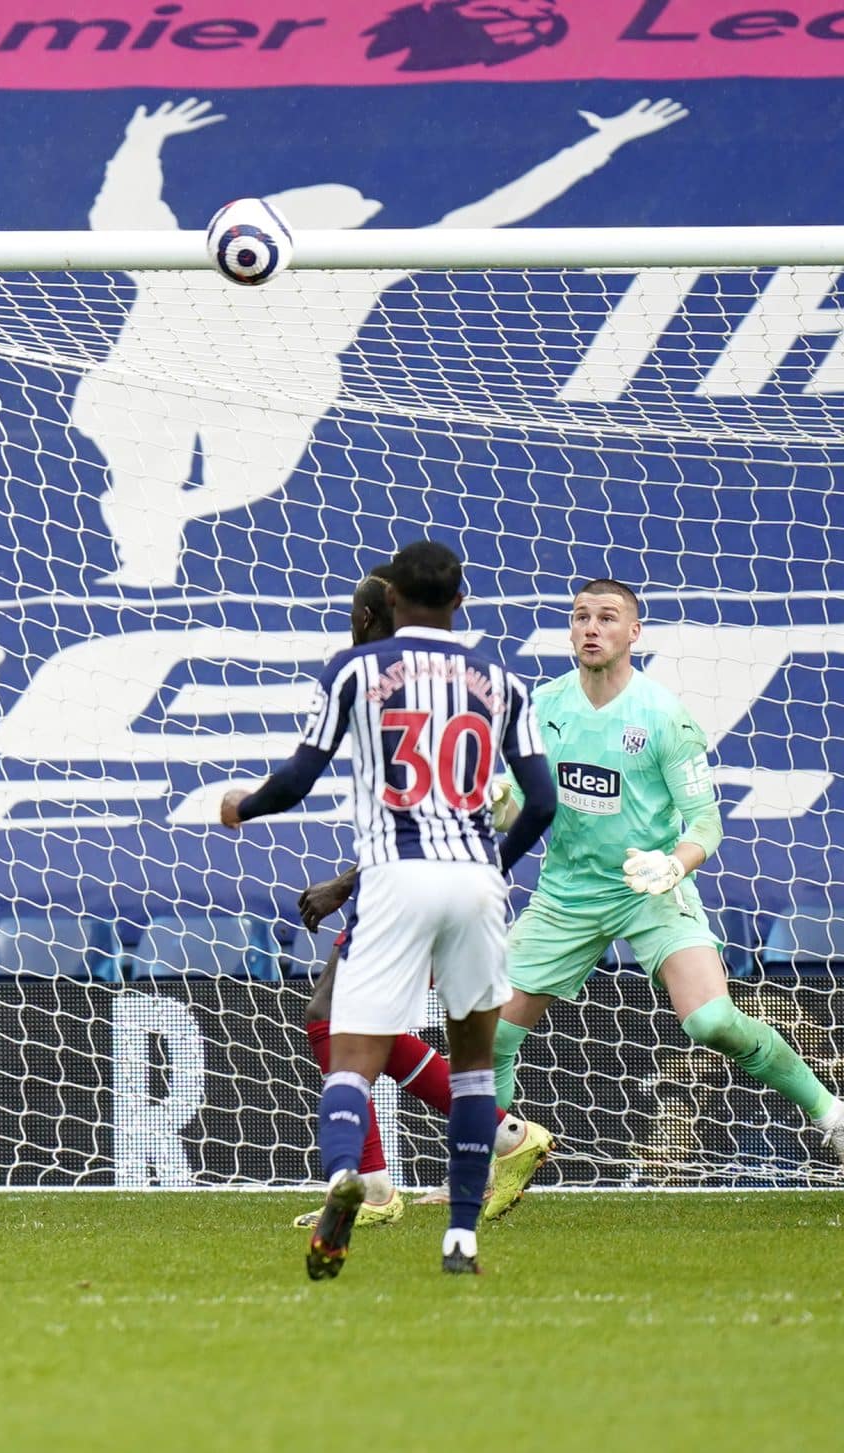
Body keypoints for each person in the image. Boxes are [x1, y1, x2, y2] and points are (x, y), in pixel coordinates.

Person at [76, 95, 685, 586]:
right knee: (146, 474)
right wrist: (139, 144)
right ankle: (147, 563)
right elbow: (123, 213)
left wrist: (601, 143)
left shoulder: (358, 267)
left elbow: (492, 215)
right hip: (154, 381)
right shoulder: (190, 261)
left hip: (269, 394)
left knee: (238, 485)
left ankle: (160, 520)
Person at [220, 540, 555, 1277]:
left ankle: (356, 1175)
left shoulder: (356, 671)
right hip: (474, 882)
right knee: (474, 1064)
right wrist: (491, 864)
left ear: (392, 601)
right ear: (461, 600)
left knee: (347, 1053)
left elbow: (299, 778)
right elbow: (543, 801)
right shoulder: (502, 678)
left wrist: (242, 805)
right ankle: (462, 1238)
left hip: (396, 878)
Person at [490, 579, 844, 1161]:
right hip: (566, 893)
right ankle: (490, 1168)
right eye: (580, 617)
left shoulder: (663, 716)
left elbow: (706, 824)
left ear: (634, 632)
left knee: (711, 1022)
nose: (591, 628)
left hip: (650, 887)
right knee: (494, 1035)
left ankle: (830, 1116)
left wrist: (672, 864)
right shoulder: (542, 706)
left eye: (607, 618)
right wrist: (503, 806)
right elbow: (519, 800)